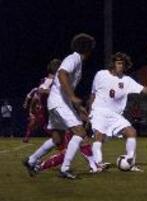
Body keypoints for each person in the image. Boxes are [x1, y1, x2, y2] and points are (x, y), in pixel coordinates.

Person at [23, 33, 96, 179]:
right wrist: (72, 97)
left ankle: (31, 160)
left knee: (57, 139)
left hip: (57, 102)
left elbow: (64, 84)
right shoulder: (73, 58)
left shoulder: (77, 61)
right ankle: (65, 169)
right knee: (81, 133)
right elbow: (62, 74)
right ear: (88, 49)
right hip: (59, 102)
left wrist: (78, 107)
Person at [89, 52, 147, 172]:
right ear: (113, 64)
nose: (121, 66)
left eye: (123, 64)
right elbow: (93, 93)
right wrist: (90, 112)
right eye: (118, 63)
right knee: (99, 136)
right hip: (99, 111)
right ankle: (96, 165)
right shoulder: (101, 74)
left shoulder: (127, 80)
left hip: (115, 115)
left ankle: (130, 162)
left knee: (131, 132)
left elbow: (143, 89)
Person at [22, 59, 61, 143]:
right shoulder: (43, 81)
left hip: (48, 106)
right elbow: (34, 93)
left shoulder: (56, 81)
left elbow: (55, 92)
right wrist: (27, 103)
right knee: (38, 123)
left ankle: (60, 138)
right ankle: (27, 137)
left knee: (46, 125)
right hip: (40, 106)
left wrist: (44, 92)